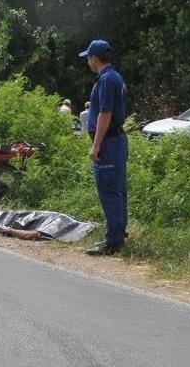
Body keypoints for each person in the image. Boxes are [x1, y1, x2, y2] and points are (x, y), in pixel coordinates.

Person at [80, 40, 128, 255]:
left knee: (109, 191)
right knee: (118, 191)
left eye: (88, 58)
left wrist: (96, 145)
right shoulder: (115, 77)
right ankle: (119, 234)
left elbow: (105, 113)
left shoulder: (106, 80)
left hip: (108, 143)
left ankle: (113, 242)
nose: (88, 62)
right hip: (116, 141)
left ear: (94, 58)